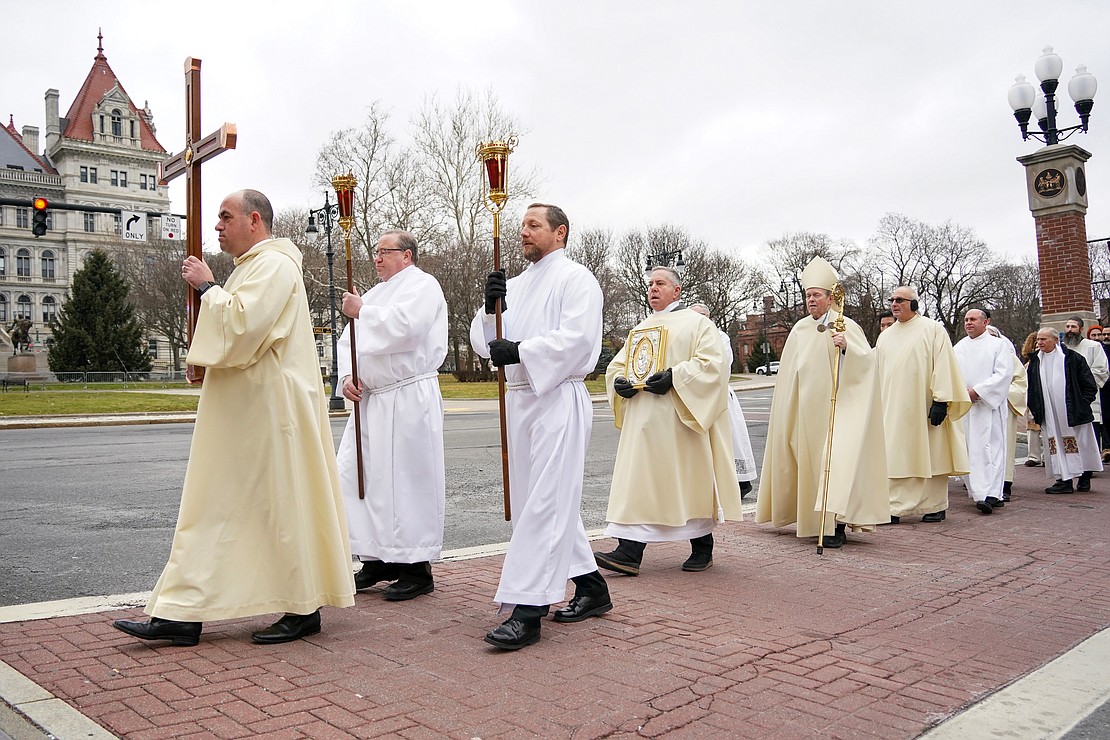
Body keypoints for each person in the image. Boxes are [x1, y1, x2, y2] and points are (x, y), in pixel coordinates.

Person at [113, 190, 354, 647]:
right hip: (244, 413)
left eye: (225, 217)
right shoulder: (253, 267)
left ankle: (303, 606)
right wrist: (204, 355)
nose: (217, 226)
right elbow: (236, 333)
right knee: (212, 505)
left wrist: (207, 287)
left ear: (255, 220)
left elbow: (244, 326)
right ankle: (182, 612)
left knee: (280, 506)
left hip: (271, 414)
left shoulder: (277, 265)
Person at [470, 202, 611, 651]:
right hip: (520, 400)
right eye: (522, 226)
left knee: (546, 500)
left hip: (557, 397)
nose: (524, 233)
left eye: (534, 225)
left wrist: (523, 350)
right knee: (537, 500)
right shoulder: (515, 284)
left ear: (560, 232)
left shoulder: (577, 279)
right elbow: (488, 342)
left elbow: (579, 339)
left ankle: (528, 609)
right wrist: (490, 306)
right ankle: (591, 586)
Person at [596, 271, 742, 575]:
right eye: (650, 284)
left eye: (660, 284)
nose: (653, 289)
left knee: (685, 482)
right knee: (640, 483)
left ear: (677, 291)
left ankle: (703, 547)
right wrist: (620, 382)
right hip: (642, 421)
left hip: (679, 420)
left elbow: (713, 364)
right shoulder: (640, 329)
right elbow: (618, 366)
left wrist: (676, 377)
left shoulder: (698, 324)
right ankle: (629, 551)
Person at [336, 230, 448, 601]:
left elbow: (407, 329)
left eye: (385, 252)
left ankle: (416, 567)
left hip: (407, 395)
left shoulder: (422, 285)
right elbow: (347, 341)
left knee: (405, 481)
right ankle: (375, 557)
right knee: (362, 478)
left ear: (408, 255)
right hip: (371, 399)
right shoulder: (373, 294)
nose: (377, 258)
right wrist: (347, 377)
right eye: (376, 252)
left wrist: (362, 312)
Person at [756, 257, 889, 548]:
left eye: (816, 295)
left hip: (837, 410)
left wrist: (847, 348)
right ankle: (812, 520)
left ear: (831, 298)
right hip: (804, 413)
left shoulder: (846, 326)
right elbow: (791, 374)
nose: (811, 300)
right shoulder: (800, 330)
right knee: (807, 463)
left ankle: (836, 524)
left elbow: (867, 364)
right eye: (808, 295)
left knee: (836, 462)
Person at [875, 286, 971, 523]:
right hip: (894, 407)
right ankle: (894, 507)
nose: (894, 304)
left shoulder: (933, 329)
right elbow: (872, 367)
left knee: (931, 453)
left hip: (925, 405)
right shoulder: (886, 336)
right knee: (896, 453)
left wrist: (941, 399)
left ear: (914, 304)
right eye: (892, 300)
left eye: (900, 300)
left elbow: (944, 364)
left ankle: (934, 506)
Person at [689, 303, 757, 497]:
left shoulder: (719, 337)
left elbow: (722, 364)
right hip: (694, 397)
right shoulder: (687, 337)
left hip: (717, 395)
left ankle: (740, 482)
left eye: (700, 316)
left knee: (728, 439)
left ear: (708, 318)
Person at [1027, 326, 1103, 493]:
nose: (1039, 342)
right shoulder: (1035, 362)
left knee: (1082, 444)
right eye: (1038, 339)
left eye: (1043, 339)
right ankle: (1063, 480)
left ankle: (1084, 478)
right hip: (1050, 414)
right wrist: (1035, 409)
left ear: (1055, 340)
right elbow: (1031, 388)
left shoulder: (1072, 359)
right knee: (1057, 445)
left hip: (1074, 411)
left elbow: (1088, 383)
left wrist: (1083, 403)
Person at [953, 309, 1014, 515]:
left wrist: (978, 391)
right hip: (966, 407)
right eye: (966, 320)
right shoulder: (959, 347)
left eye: (973, 319)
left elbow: (1004, 374)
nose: (968, 323)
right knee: (971, 449)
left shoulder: (999, 345)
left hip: (989, 406)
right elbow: (951, 374)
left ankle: (992, 494)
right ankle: (979, 492)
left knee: (992, 448)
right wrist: (961, 393)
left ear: (986, 322)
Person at [986, 325, 1027, 503]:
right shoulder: (973, 356)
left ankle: (1004, 483)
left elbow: (1020, 382)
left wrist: (998, 393)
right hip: (980, 407)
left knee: (1004, 445)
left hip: (1003, 406)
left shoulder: (1009, 358)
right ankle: (982, 484)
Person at [1062, 317, 1109, 452]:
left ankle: (1090, 464)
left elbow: (1101, 370)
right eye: (1068, 326)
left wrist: (1079, 381)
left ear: (1081, 329)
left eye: (1073, 327)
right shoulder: (1061, 349)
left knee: (1089, 432)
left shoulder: (1094, 346)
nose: (1070, 330)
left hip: (1086, 397)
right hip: (1067, 397)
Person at [1020, 332, 1045, 468]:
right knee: (1032, 427)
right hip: (1032, 396)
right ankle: (1033, 456)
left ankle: (1047, 456)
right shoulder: (1029, 365)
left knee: (1047, 428)